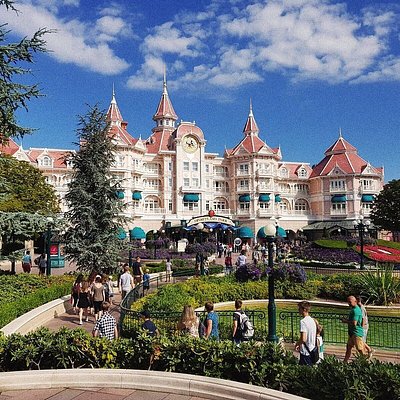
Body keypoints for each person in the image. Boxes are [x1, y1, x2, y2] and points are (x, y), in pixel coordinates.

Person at [342, 295, 366, 363]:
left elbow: (354, 323)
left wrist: (345, 321)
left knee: (360, 349)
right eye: (348, 302)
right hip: (352, 333)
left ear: (355, 301)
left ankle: (366, 361)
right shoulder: (354, 309)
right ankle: (344, 362)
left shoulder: (356, 310)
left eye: (350, 302)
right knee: (348, 348)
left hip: (356, 333)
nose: (348, 304)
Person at [295, 301, 317, 366]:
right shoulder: (312, 320)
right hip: (312, 349)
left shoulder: (303, 321)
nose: (298, 310)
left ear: (304, 310)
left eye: (299, 309)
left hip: (305, 351)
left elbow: (303, 339)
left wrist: (297, 344)